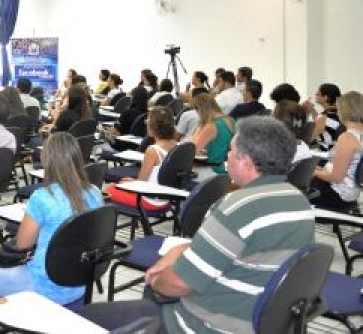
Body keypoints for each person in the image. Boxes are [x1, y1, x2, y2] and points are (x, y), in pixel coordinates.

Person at [77, 116, 314, 334]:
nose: (226, 157)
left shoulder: (237, 207)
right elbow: (234, 250)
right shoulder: (298, 202)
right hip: (256, 317)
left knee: (87, 319)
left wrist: (156, 279)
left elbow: (178, 284)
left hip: (204, 325)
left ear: (246, 161)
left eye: (231, 151)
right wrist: (182, 250)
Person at [0, 132, 104, 329]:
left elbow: (22, 244)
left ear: (47, 160)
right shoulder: (95, 193)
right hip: (80, 285)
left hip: (43, 287)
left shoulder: (42, 198)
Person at [105, 107, 177, 210]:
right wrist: (133, 180)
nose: (145, 121)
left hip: (148, 200)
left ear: (154, 126)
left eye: (148, 119)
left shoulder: (153, 150)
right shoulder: (176, 146)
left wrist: (132, 182)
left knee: (109, 190)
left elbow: (141, 182)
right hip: (167, 198)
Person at [311, 91, 363, 211]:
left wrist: (315, 172)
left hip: (337, 196)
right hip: (351, 195)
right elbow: (349, 170)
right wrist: (321, 170)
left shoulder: (348, 137)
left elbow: (336, 177)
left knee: (292, 186)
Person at [192, 93, 235, 173]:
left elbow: (191, 149)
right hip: (223, 169)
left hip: (210, 170)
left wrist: (200, 126)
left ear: (201, 109)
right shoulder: (231, 121)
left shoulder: (211, 126)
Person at [303, 82, 344, 152]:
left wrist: (305, 112)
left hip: (325, 154)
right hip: (335, 150)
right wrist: (312, 110)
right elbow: (324, 123)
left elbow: (310, 139)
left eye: (318, 93)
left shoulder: (324, 117)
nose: (315, 94)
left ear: (326, 97)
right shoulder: (340, 112)